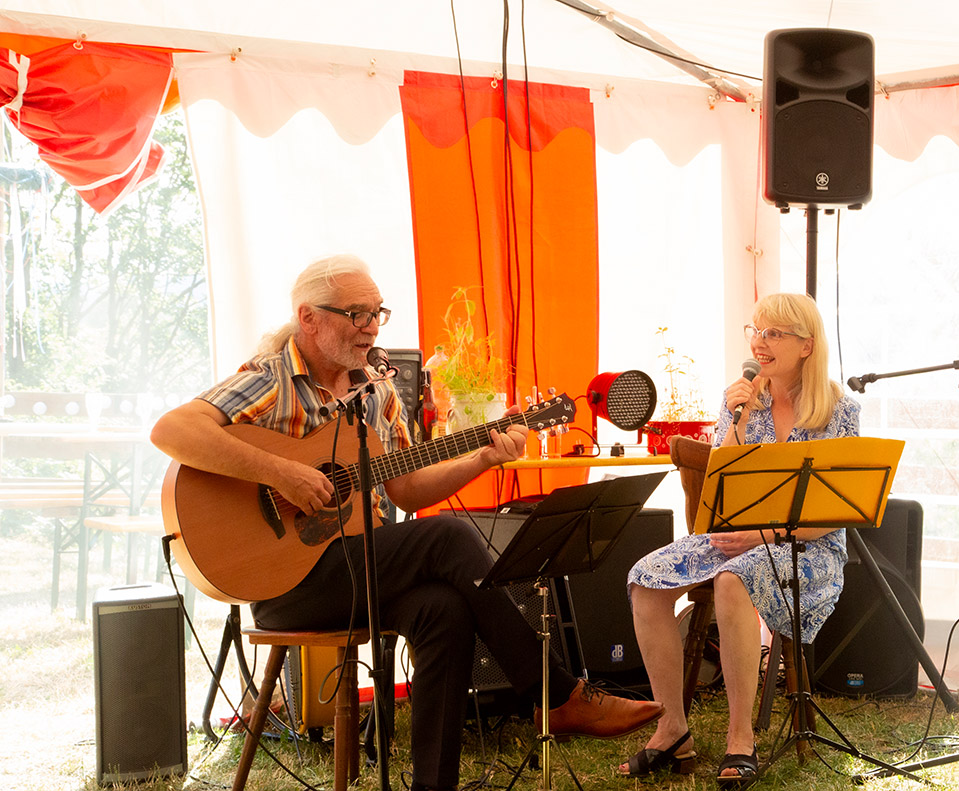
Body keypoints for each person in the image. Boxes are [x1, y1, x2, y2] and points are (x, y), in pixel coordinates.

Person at [150, 254, 663, 791]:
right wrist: (282, 473)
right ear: (309, 318)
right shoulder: (272, 378)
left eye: (377, 312)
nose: (371, 326)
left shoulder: (376, 389)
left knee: (443, 610)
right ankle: (556, 694)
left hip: (360, 570)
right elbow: (171, 429)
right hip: (284, 583)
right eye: (356, 313)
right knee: (448, 535)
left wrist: (482, 459)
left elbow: (406, 487)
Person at [617, 293, 860, 786]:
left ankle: (740, 737)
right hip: (737, 536)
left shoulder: (840, 410)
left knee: (733, 579)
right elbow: (721, 491)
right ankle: (673, 729)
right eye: (755, 330)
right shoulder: (743, 401)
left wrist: (763, 535)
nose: (758, 342)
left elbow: (834, 513)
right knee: (644, 577)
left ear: (806, 346)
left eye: (773, 333)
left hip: (809, 547)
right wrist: (739, 423)